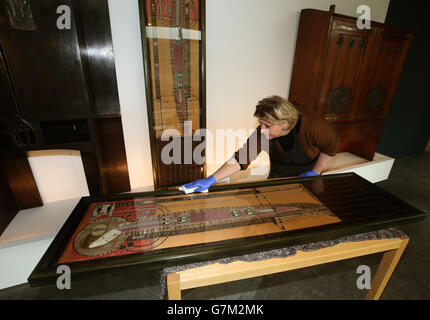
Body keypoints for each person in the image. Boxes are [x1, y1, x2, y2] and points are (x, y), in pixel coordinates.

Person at [182, 95, 339, 193]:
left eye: (267, 126)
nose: (262, 130)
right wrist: (211, 179)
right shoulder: (264, 131)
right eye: (261, 124)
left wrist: (316, 171)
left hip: (308, 176)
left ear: (284, 123)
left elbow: (331, 147)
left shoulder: (315, 126)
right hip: (278, 176)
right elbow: (241, 157)